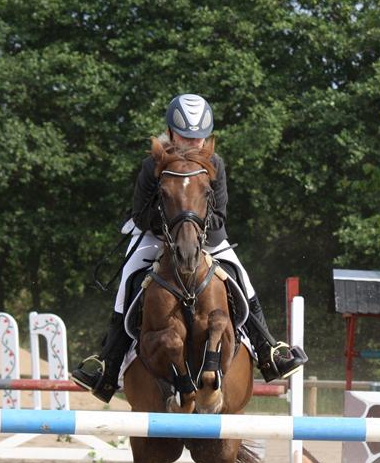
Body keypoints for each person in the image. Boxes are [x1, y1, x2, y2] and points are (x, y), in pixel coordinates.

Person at [72, 94, 308, 402]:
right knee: (129, 280)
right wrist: (171, 225)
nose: (193, 143)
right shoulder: (152, 164)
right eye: (186, 137)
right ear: (171, 133)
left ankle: (268, 350)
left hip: (206, 236)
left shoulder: (214, 163)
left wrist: (193, 229)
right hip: (156, 235)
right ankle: (108, 363)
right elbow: (140, 215)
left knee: (241, 276)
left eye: (198, 138)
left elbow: (219, 215)